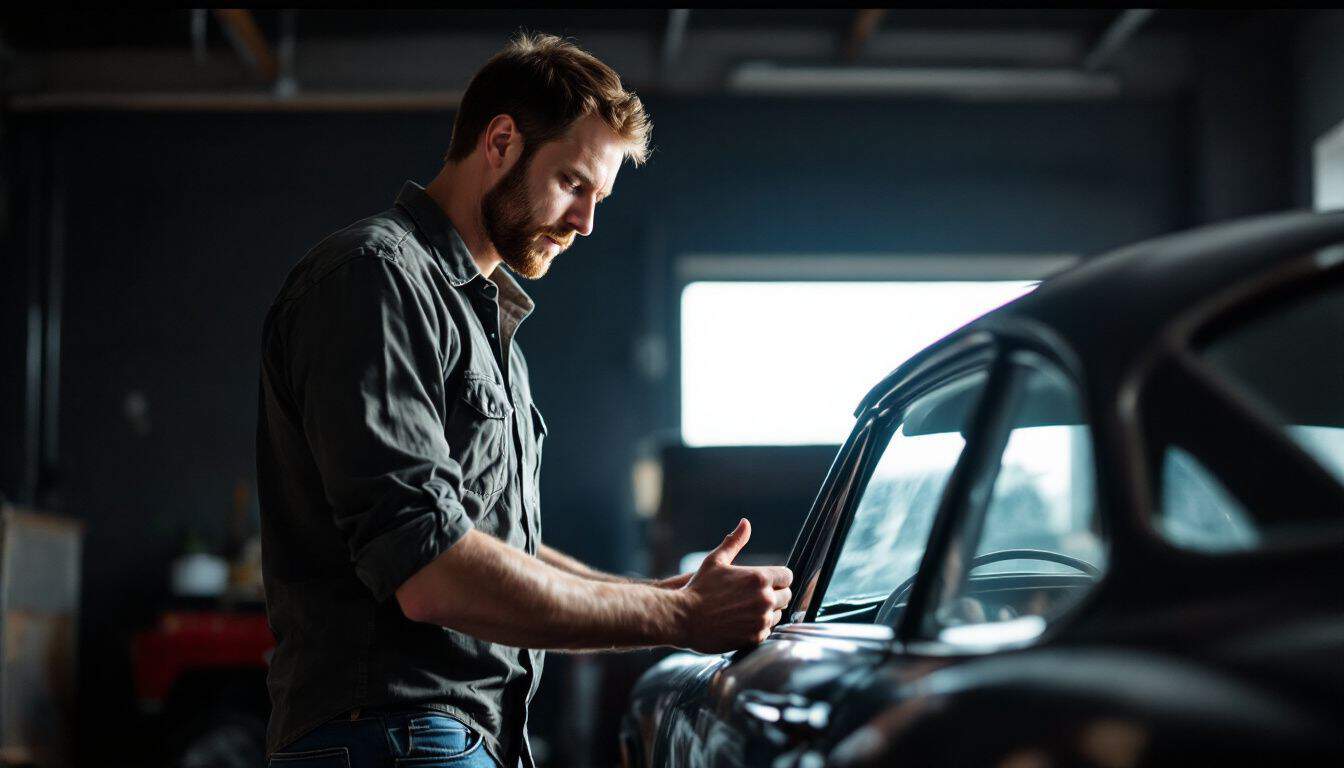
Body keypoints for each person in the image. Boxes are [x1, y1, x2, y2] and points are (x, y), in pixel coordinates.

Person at [255, 33, 792, 768]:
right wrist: (675, 615)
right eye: (574, 183)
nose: (586, 223)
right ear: (501, 141)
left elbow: (495, 546)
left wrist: (662, 597)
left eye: (598, 198)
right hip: (391, 737)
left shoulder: (482, 319)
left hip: (449, 737)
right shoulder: (374, 278)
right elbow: (433, 569)